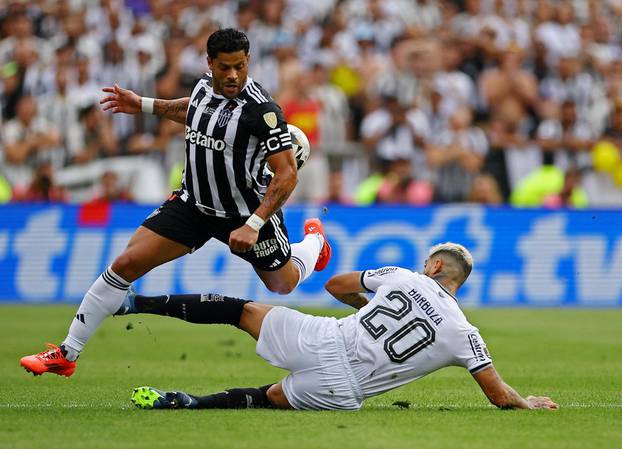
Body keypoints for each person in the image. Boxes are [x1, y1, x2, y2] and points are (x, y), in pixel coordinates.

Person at [19, 28, 331, 378]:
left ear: (248, 63)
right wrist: (145, 105)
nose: (233, 75)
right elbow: (193, 110)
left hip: (242, 214)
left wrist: (254, 223)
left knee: (282, 284)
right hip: (193, 205)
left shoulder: (262, 111)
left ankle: (315, 242)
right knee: (126, 263)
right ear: (209, 63)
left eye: (240, 67)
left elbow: (287, 174)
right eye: (225, 67)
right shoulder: (201, 86)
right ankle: (66, 353)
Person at [121, 243, 557, 411]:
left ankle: (135, 302)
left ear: (436, 266)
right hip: (343, 391)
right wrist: (528, 403)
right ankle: (191, 404)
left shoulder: (405, 278)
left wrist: (369, 305)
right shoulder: (466, 334)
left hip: (324, 337)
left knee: (242, 311)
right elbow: (499, 396)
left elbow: (335, 284)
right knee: (271, 397)